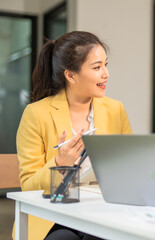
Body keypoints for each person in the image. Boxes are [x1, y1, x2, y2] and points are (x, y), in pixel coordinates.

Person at [15, 31, 132, 240]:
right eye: (97, 67)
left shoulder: (116, 109)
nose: (106, 74)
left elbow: (130, 167)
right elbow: (28, 185)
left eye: (106, 65)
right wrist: (59, 163)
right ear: (71, 75)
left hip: (104, 212)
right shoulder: (36, 114)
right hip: (53, 216)